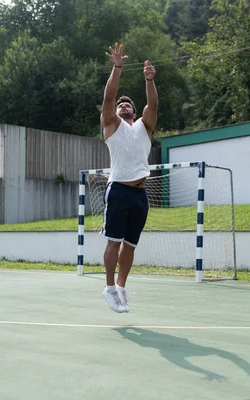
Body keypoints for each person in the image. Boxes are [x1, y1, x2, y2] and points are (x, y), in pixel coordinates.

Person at [100, 43, 157, 313]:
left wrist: (149, 80)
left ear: (134, 112)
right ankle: (109, 288)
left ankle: (122, 287)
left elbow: (153, 104)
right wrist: (117, 67)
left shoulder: (144, 128)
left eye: (127, 105)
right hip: (119, 190)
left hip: (140, 194)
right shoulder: (112, 125)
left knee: (130, 244)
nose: (123, 106)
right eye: (120, 104)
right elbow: (108, 99)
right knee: (114, 241)